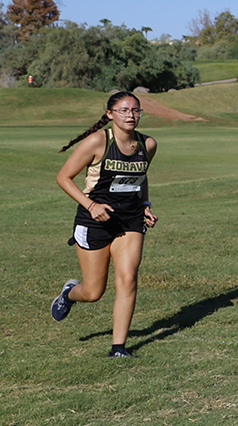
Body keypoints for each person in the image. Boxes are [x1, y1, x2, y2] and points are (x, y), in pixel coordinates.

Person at [51, 91, 158, 358]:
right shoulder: (97, 142)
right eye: (123, 110)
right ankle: (68, 294)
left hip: (130, 219)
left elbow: (141, 176)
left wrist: (145, 205)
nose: (131, 115)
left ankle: (118, 348)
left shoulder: (149, 144)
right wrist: (91, 206)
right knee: (93, 291)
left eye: (135, 110)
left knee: (128, 279)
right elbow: (64, 177)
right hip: (94, 220)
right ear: (110, 114)